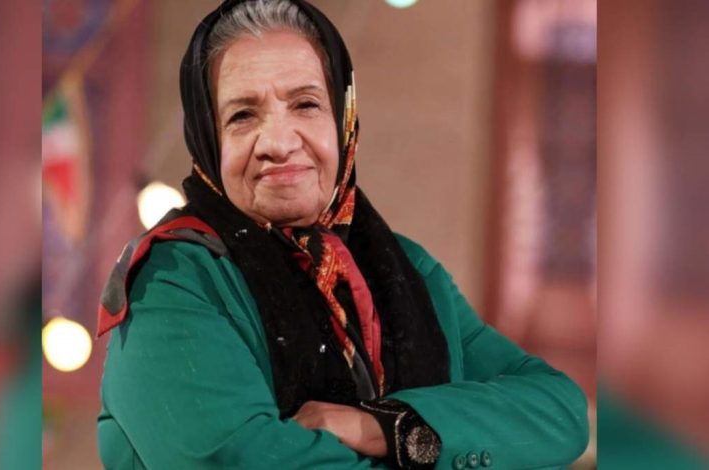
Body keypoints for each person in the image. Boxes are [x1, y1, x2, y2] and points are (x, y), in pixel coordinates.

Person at [96, 1, 589, 468]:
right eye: (242, 116)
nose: (279, 142)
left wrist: (380, 426)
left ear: (343, 120)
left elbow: (559, 413)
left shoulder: (404, 270)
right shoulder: (173, 282)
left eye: (306, 104)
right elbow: (242, 459)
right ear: (208, 138)